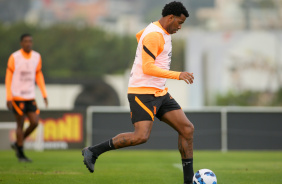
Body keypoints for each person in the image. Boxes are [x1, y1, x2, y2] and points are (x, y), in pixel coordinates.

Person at [82, 1, 194, 183]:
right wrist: (178, 75)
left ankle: (188, 181)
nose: (180, 27)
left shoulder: (159, 32)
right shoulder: (154, 35)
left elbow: (138, 35)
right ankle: (93, 151)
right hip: (142, 92)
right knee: (141, 136)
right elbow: (148, 67)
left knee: (187, 129)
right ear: (170, 18)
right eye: (179, 23)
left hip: (159, 92)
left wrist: (142, 45)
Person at [5, 33, 48, 162]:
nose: (28, 43)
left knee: (35, 122)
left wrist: (44, 94)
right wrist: (8, 97)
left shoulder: (36, 56)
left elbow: (38, 75)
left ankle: (18, 142)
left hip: (30, 96)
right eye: (25, 41)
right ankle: (21, 154)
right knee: (20, 124)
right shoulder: (15, 57)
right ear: (21, 43)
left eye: (30, 41)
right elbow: (8, 77)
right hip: (17, 96)